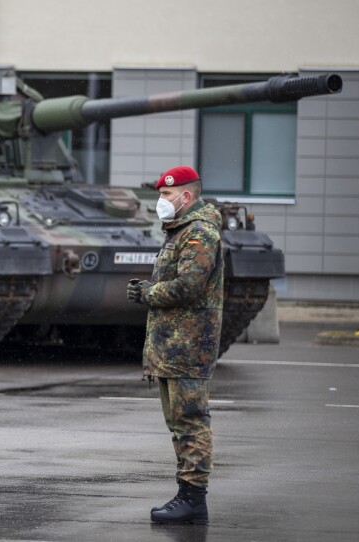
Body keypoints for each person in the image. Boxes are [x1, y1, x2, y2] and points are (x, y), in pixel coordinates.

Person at [126, 165, 223, 526]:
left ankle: (193, 499)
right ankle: (186, 494)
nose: (160, 201)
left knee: (191, 422)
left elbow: (189, 285)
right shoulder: (180, 231)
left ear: (186, 196)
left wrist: (149, 293)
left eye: (166, 195)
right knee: (179, 423)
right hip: (173, 346)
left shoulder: (199, 232)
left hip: (189, 345)